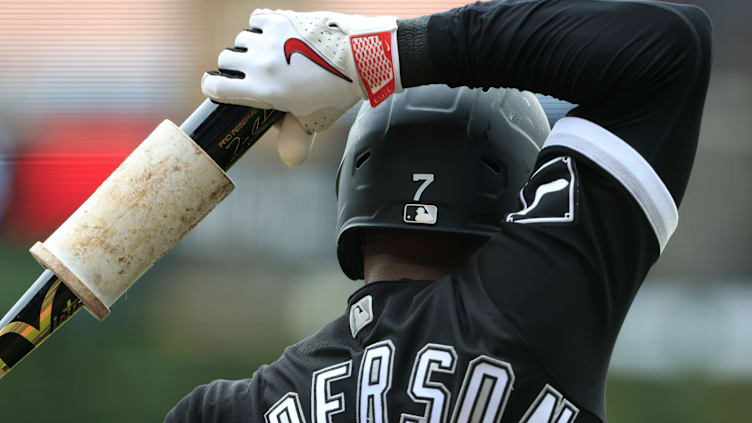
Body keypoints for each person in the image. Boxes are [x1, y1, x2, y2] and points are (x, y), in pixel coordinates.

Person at [165, 0, 713, 421]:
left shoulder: (228, 410)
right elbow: (667, 45)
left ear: (356, 184)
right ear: (516, 198)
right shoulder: (535, 316)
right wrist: (371, 56)